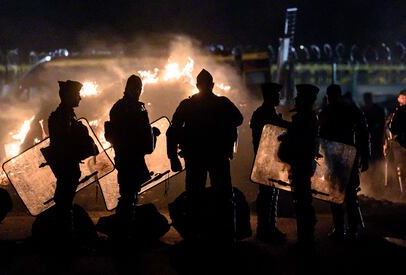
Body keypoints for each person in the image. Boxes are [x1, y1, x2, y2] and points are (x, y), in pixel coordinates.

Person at [167, 69, 243, 244]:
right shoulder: (222, 103)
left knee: (195, 197)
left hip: (196, 158)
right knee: (223, 197)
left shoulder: (187, 105)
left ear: (197, 85)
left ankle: (195, 237)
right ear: (212, 85)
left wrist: (173, 157)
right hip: (217, 156)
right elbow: (238, 119)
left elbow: (173, 131)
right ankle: (227, 236)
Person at [106, 75, 159, 238]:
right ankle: (123, 233)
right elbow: (132, 133)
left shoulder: (126, 107)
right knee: (129, 196)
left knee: (131, 194)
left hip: (129, 157)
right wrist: (149, 135)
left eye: (139, 88)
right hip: (129, 157)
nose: (138, 91)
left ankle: (125, 231)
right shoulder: (129, 108)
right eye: (136, 88)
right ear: (129, 88)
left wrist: (151, 134)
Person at [318, 84, 370, 240]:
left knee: (335, 194)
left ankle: (340, 229)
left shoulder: (326, 112)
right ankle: (353, 228)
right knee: (350, 195)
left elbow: (320, 136)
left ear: (328, 96)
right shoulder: (351, 110)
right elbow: (364, 132)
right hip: (349, 156)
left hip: (334, 158)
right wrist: (365, 156)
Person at [48, 80, 98, 237]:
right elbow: (65, 145)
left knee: (65, 203)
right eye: (77, 94)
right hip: (66, 167)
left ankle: (65, 240)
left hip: (67, 166)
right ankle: (65, 242)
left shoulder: (66, 116)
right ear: (68, 96)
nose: (80, 98)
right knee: (64, 204)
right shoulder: (63, 118)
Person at [278, 84, 319, 247]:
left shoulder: (305, 118)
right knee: (301, 201)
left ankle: (306, 241)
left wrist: (286, 138)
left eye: (299, 97)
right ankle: (305, 239)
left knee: (302, 202)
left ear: (305, 100)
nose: (296, 99)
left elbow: (301, 141)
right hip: (300, 163)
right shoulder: (306, 117)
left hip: (301, 163)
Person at [250, 82, 290, 243]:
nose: (279, 97)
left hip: (270, 159)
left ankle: (269, 227)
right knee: (267, 195)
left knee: (272, 194)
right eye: (277, 95)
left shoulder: (266, 112)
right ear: (270, 96)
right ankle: (265, 229)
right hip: (265, 159)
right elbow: (278, 128)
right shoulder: (264, 113)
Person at [387, 90, 406, 192]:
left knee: (400, 166)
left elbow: (392, 127)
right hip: (399, 143)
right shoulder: (396, 112)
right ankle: (401, 190)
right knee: (400, 166)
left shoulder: (398, 112)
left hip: (399, 143)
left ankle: (402, 190)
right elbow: (390, 127)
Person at [362, 92, 386, 162]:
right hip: (373, 140)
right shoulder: (378, 110)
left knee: (375, 158)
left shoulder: (364, 111)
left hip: (374, 139)